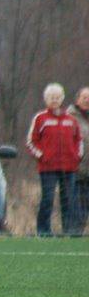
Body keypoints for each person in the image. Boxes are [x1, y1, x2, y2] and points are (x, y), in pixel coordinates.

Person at [26, 83, 83, 236]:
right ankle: (43, 231)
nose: (55, 100)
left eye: (57, 97)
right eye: (52, 98)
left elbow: (79, 140)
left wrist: (76, 157)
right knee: (47, 199)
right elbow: (31, 142)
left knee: (69, 200)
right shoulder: (40, 118)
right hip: (48, 168)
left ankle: (70, 231)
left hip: (69, 167)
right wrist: (42, 156)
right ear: (46, 99)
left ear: (62, 98)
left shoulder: (71, 119)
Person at [67, 86, 89, 234]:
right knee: (77, 205)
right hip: (77, 169)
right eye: (84, 97)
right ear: (77, 100)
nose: (87, 100)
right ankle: (74, 233)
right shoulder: (70, 117)